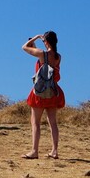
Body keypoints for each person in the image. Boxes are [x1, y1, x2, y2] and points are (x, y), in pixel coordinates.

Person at [21, 30, 65, 159]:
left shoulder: (41, 54)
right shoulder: (58, 57)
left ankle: (35, 151)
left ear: (45, 41)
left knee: (35, 122)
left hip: (40, 92)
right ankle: (54, 151)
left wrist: (34, 38)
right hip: (53, 91)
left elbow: (24, 47)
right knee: (53, 122)